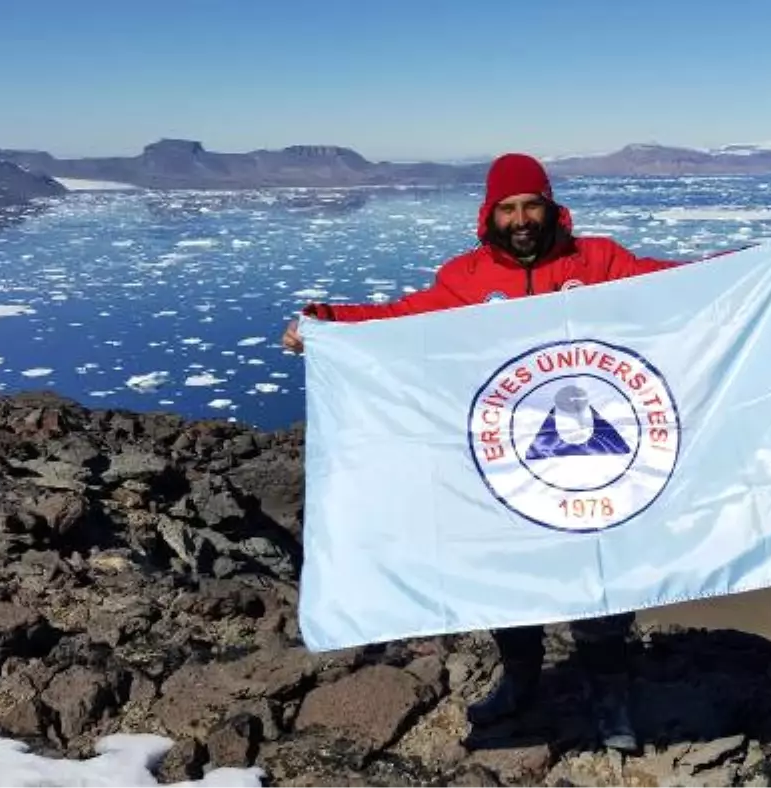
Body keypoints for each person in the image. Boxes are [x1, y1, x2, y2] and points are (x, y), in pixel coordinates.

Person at [282, 153, 694, 753]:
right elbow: (401, 321)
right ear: (490, 213)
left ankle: (610, 696)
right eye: (508, 207)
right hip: (505, 459)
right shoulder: (465, 279)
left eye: (531, 205)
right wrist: (326, 320)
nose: (521, 218)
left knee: (601, 579)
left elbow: (674, 285)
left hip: (592, 465)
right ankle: (521, 679)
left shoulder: (600, 262)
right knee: (507, 571)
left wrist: (753, 271)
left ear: (550, 207)